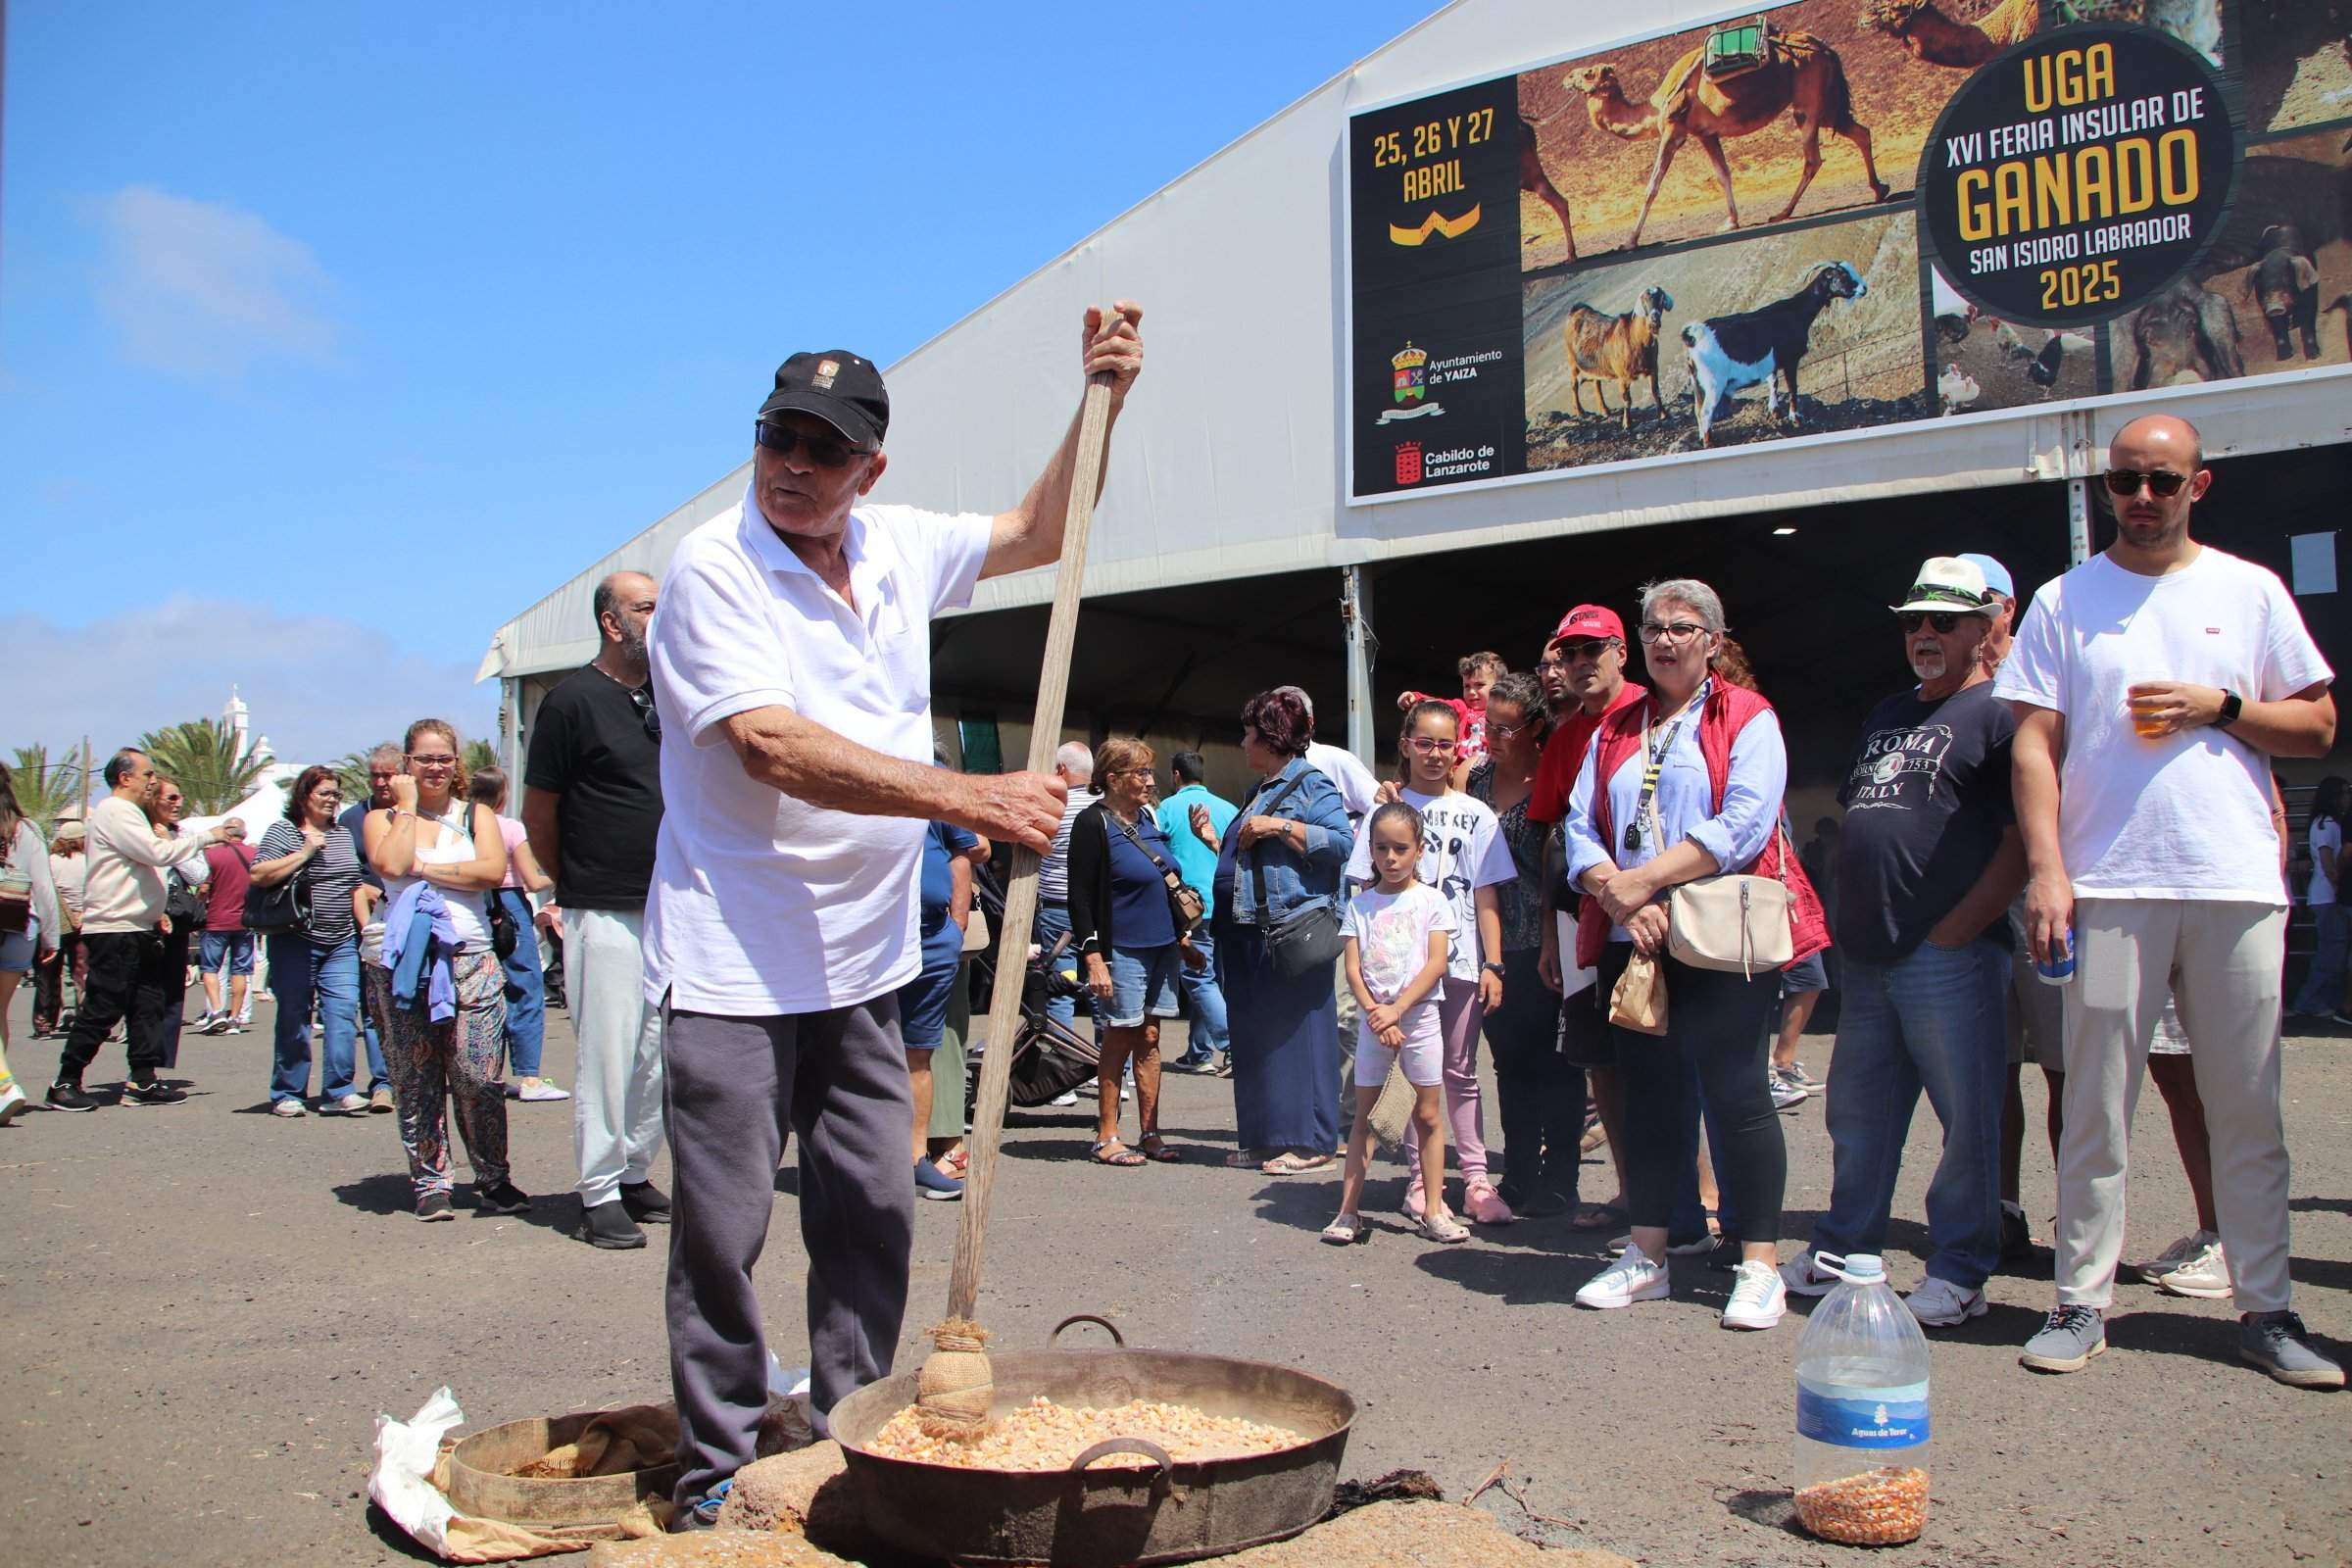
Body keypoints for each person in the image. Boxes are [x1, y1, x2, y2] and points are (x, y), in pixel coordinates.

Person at [646, 304, 1142, 1525]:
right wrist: (968, 794)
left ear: (872, 467)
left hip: (865, 955)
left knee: (869, 1204)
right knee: (723, 1226)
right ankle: (718, 1466)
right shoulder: (716, 568)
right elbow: (768, 744)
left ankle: (850, 1429)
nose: (792, 466)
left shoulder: (898, 546)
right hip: (732, 958)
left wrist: (1102, 400)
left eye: (823, 449)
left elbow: (1040, 529)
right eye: (777, 437)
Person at [1997, 412, 2342, 1389]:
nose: (2142, 499)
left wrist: (2219, 706)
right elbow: (2033, 744)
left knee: (2248, 1108)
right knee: (2097, 1098)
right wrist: (2049, 870)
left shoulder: (2250, 590)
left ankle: (2267, 1308)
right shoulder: (2066, 602)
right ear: (2105, 487)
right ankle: (2080, 1300)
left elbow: (2316, 723)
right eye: (2124, 482)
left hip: (2234, 888)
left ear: (2200, 485)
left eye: (2162, 480)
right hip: (2110, 894)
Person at [1565, 579, 1829, 1330]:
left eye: (1682, 628)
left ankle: (1759, 1265)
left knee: (1738, 1097)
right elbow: (1581, 825)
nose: (1664, 640)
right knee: (1649, 1100)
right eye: (1653, 627)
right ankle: (1648, 1255)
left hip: (1715, 938)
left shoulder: (1748, 717)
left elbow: (1745, 822)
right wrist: (1620, 895)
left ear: (1713, 640)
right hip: (1633, 936)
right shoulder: (1617, 728)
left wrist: (1645, 883)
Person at [1782, 558, 2024, 1328]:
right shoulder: (1889, 711)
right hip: (1872, 952)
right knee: (1858, 1116)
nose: (1924, 633)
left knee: (1966, 1123)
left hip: (1949, 953)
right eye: (1914, 620)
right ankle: (1841, 1251)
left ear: (1983, 630)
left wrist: (1959, 928)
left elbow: (2023, 841)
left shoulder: (2003, 710)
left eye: (1943, 621)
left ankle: (1959, 1271)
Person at [522, 569, 669, 1250]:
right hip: (603, 907)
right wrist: (572, 883)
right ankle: (599, 1189)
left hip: (672, 907)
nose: (660, 615)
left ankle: (636, 1171)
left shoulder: (670, 697)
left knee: (659, 1055)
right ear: (613, 623)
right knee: (608, 1054)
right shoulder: (569, 702)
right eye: (646, 607)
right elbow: (539, 814)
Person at [1354, 701, 1516, 1225]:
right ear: (1405, 745)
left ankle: (1475, 1179)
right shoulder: (1388, 812)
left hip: (1461, 962)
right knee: (1411, 1075)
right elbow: (1364, 888)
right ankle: (1421, 1183)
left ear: (1459, 749)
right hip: (1397, 974)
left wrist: (1494, 962)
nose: (1435, 754)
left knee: (1460, 1072)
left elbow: (1487, 893)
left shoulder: (1477, 815)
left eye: (1445, 744)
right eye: (1424, 742)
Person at [364, 719, 530, 1222]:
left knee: (478, 1075)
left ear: (456, 763)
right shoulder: (384, 817)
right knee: (415, 1077)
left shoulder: (475, 814)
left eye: (444, 758)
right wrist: (409, 808)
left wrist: (427, 868)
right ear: (407, 765)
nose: (435, 766)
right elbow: (389, 866)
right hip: (402, 964)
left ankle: (492, 1176)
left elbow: (490, 871)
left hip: (471, 956)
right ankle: (431, 1180)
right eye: (424, 758)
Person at [1529, 605, 1646, 1234]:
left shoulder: (1658, 713)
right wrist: (1552, 933)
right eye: (1567, 654)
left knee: (1669, 1055)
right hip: (1583, 920)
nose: (1578, 664)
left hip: (1655, 914)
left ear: (1621, 651)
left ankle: (1702, 1192)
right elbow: (1550, 838)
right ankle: (1632, 1193)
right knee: (1602, 1060)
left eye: (1590, 650)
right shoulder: (1568, 735)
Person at [50, 749, 242, 1110]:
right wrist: (208, 836)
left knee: (148, 1005)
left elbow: (140, 866)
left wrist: (155, 910)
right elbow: (156, 853)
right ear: (125, 778)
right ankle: (65, 1081)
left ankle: (142, 1080)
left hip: (138, 926)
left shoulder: (127, 814)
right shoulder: (116, 811)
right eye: (147, 774)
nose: (152, 781)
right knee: (104, 1006)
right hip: (115, 927)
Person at [1213, 686, 1353, 1176]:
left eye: (1249, 734)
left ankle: (1314, 1141)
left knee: (1304, 1035)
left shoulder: (1314, 786)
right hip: (1246, 930)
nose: (1244, 744)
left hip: (1289, 929)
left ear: (1270, 738)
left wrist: (1279, 828)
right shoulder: (1259, 790)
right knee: (1256, 1037)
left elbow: (1342, 844)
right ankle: (1264, 1137)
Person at [1466, 673, 1579, 1218]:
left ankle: (1561, 1178)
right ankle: (1519, 1172)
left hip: (1545, 943)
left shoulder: (1556, 781)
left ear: (1535, 728)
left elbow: (1561, 869)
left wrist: (1553, 939)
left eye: (1504, 727)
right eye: (1487, 723)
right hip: (1489, 944)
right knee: (1509, 1063)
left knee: (1556, 1064)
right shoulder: (1476, 781)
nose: (1491, 734)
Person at [1325, 801, 1460, 1245]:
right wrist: (1375, 1013)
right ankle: (1348, 1211)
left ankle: (1434, 1209)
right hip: (1374, 1025)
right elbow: (1352, 968)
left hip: (1418, 1023)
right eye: (1381, 848)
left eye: (1401, 848)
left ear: (1420, 850)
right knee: (1364, 1118)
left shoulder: (1432, 901)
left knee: (1426, 1116)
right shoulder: (1359, 906)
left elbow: (1436, 963)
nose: (1391, 858)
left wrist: (1397, 1009)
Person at [1068, 737, 1199, 1167]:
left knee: (1150, 1037)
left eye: (1149, 772)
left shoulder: (1146, 817)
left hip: (1162, 945)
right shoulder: (1093, 823)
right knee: (1120, 1036)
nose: (1149, 780)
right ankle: (1107, 1135)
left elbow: (1161, 880)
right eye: (1140, 773)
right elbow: (1080, 896)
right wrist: (1092, 957)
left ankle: (1150, 1133)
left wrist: (1182, 938)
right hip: (1120, 949)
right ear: (1113, 779)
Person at [251, 764, 369, 1116]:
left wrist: (367, 930)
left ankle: (339, 1089)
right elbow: (258, 873)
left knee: (344, 1013)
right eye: (325, 794)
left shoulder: (343, 835)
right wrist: (303, 853)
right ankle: (287, 1092)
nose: (332, 801)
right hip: (296, 939)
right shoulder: (283, 832)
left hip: (341, 940)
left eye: (336, 794)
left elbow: (354, 885)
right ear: (304, 796)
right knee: (294, 1015)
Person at [901, 800, 983, 1200]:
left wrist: (956, 927)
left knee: (920, 1052)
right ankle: (862, 1162)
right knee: (858, 1051)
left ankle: (917, 1161)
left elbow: (964, 851)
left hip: (933, 939)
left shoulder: (937, 779)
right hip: (873, 940)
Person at [470, 768, 565, 1103]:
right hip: (509, 903)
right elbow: (531, 878)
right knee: (526, 985)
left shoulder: (465, 825)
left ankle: (483, 1073)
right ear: (502, 794)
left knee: (480, 988)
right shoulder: (509, 827)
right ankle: (529, 1075)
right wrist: (561, 874)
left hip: (473, 902)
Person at [1155, 750, 1236, 1072]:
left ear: (1176, 775)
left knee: (1197, 978)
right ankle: (1199, 1052)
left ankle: (1232, 1045)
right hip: (1223, 902)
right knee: (1210, 977)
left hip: (1189, 906)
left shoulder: (1166, 809)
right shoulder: (1229, 809)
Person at [341, 744, 403, 1112]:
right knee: (374, 1006)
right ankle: (384, 1083)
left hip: (413, 922)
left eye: (387, 774)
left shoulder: (417, 815)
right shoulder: (353, 819)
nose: (380, 782)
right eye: (375, 775)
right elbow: (345, 873)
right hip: (367, 925)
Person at [0, 764, 63, 1126]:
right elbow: (43, 887)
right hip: (20, 925)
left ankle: (5, 1086)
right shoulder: (26, 830)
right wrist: (51, 937)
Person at [1031, 741, 1098, 1041]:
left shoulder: (1052, 808)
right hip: (1098, 913)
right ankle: (1113, 1074)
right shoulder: (1106, 809)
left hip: (1058, 911)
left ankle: (1062, 1067)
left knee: (1060, 989)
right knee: (1101, 987)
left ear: (1060, 770)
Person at [148, 779, 205, 1072]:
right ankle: (142, 1058)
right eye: (171, 797)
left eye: (180, 797)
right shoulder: (138, 830)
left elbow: (198, 874)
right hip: (144, 920)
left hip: (177, 921)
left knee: (172, 993)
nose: (177, 803)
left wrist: (172, 847)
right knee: (142, 993)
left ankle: (159, 1062)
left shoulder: (185, 834)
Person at [2288, 774, 2351, 1021]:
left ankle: (2324, 1001)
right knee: (2331, 954)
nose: (2347, 798)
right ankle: (2309, 1002)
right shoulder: (2326, 824)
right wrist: (2338, 884)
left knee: (2336, 952)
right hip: (2327, 895)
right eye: (2344, 793)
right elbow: (2327, 860)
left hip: (2327, 895)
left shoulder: (2329, 823)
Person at [1398, 650, 1507, 787]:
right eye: (1467, 686)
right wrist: (1416, 698)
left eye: (1479, 685)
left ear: (1499, 686)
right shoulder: (1462, 709)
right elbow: (1439, 704)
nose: (1472, 692)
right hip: (1458, 776)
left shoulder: (1505, 716)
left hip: (1492, 775)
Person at [193, 826, 257, 1036]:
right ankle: (235, 1018)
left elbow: (203, 887)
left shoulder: (212, 855)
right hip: (246, 921)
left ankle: (217, 1011)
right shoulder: (254, 855)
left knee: (210, 968)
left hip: (216, 920)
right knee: (240, 971)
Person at [30, 820, 85, 1040]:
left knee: (47, 974)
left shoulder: (50, 862)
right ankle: (86, 1019)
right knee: (82, 972)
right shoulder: (88, 861)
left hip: (53, 922)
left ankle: (44, 1020)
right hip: (84, 922)